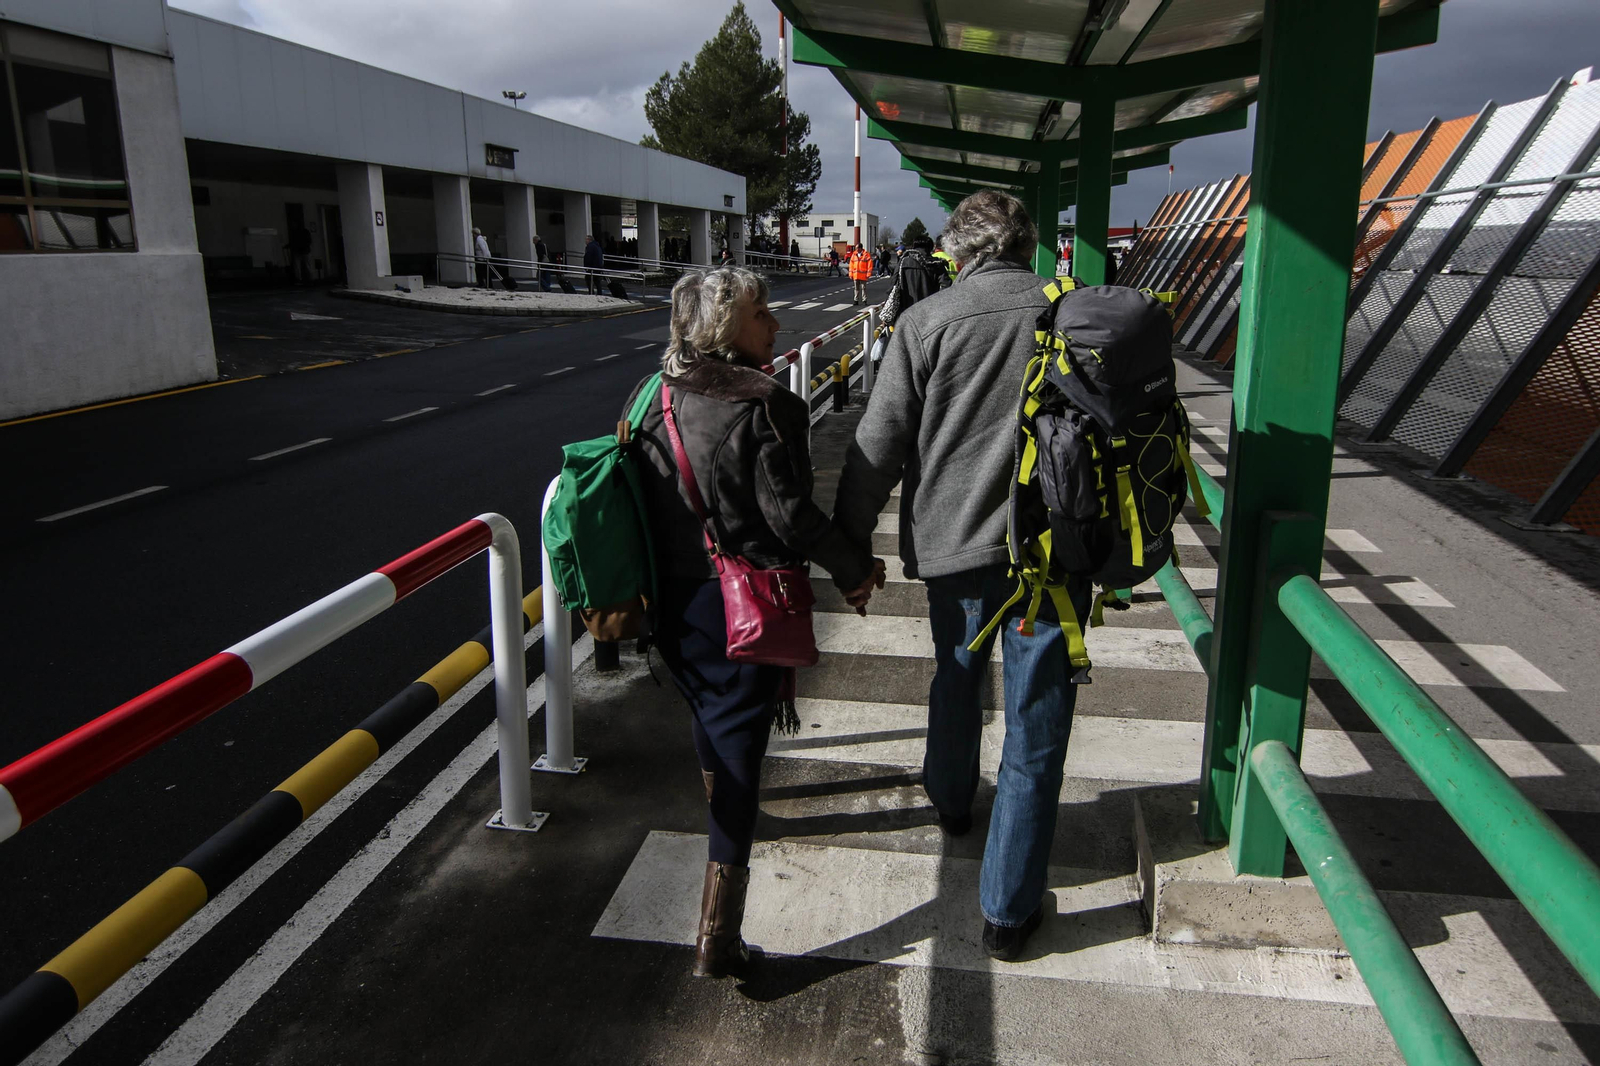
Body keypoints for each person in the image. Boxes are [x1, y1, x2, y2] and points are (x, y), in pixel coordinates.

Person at [832, 189, 1089, 962]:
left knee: (956, 675)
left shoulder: (925, 322)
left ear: (959, 251)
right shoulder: (1074, 311)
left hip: (954, 552)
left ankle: (951, 801)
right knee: (1036, 729)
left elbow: (876, 446)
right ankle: (1009, 912)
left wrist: (849, 551)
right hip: (1052, 558)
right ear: (1027, 243)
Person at [623, 267, 883, 978]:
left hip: (671, 605)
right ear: (724, 329)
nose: (775, 324)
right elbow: (790, 516)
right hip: (741, 606)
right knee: (742, 758)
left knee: (711, 721)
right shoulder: (765, 401)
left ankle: (728, 823)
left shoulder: (651, 392)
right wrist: (855, 569)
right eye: (761, 313)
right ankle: (718, 936)